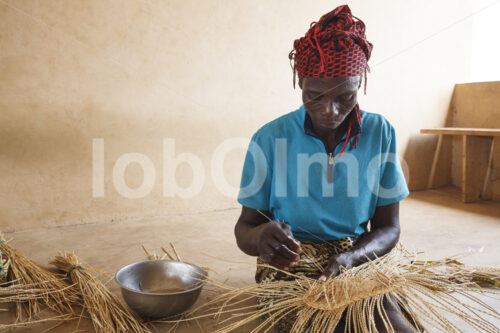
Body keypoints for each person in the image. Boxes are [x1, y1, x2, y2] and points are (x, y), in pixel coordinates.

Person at [234, 5, 414, 332]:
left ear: (359, 83)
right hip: (289, 262)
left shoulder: (380, 132)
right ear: (300, 82)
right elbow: (244, 230)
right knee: (311, 322)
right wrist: (262, 237)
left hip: (354, 256)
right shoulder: (270, 138)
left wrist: (352, 258)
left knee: (389, 322)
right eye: (314, 97)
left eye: (345, 97)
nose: (330, 111)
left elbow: (389, 228)